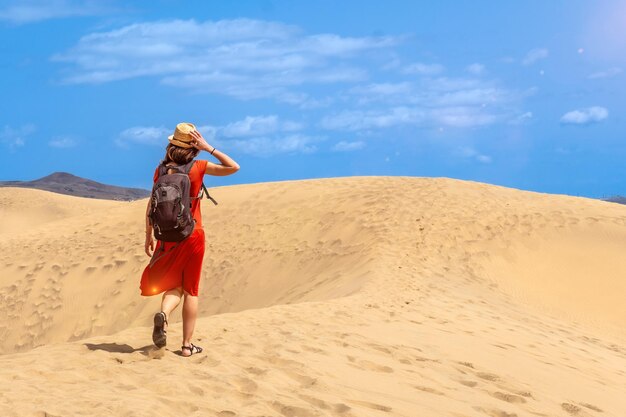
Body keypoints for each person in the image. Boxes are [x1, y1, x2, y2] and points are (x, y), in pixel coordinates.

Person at [140, 122, 240, 357]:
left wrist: (148, 235)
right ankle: (186, 346)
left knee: (174, 285)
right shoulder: (199, 167)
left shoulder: (161, 171)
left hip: (167, 236)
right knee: (191, 290)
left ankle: (164, 315)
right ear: (193, 146)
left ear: (171, 144)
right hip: (193, 234)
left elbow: (150, 205)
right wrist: (208, 147)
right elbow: (233, 167)